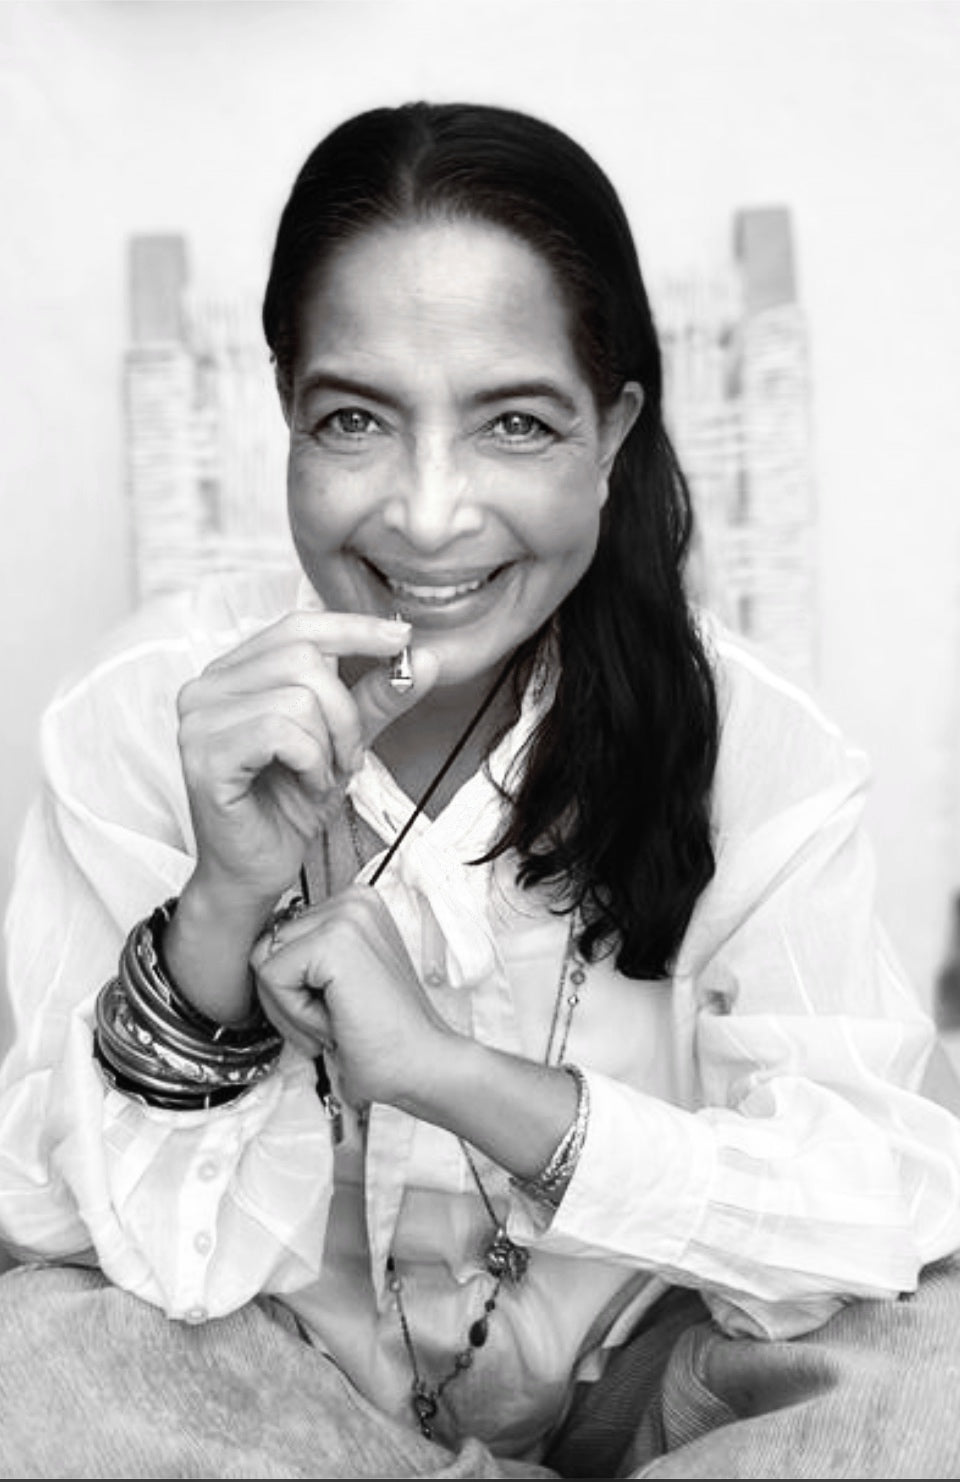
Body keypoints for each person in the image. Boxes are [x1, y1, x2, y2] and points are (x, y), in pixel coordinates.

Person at [1, 99, 960, 1481]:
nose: (430, 513)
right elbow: (49, 1222)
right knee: (33, 1368)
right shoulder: (147, 713)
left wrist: (463, 1078)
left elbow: (881, 1199)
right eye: (355, 418)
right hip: (282, 1406)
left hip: (642, 1390)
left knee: (934, 1385)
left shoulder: (753, 739)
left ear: (612, 430)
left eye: (514, 422)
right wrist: (217, 907)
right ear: (286, 413)